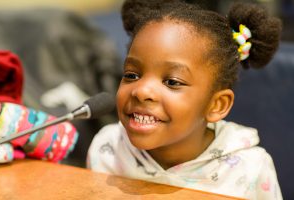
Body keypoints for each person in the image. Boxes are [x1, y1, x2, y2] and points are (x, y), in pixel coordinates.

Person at [87, 0, 282, 199]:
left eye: (172, 81)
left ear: (217, 105)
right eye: (132, 75)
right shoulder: (108, 148)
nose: (141, 91)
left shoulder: (249, 169)